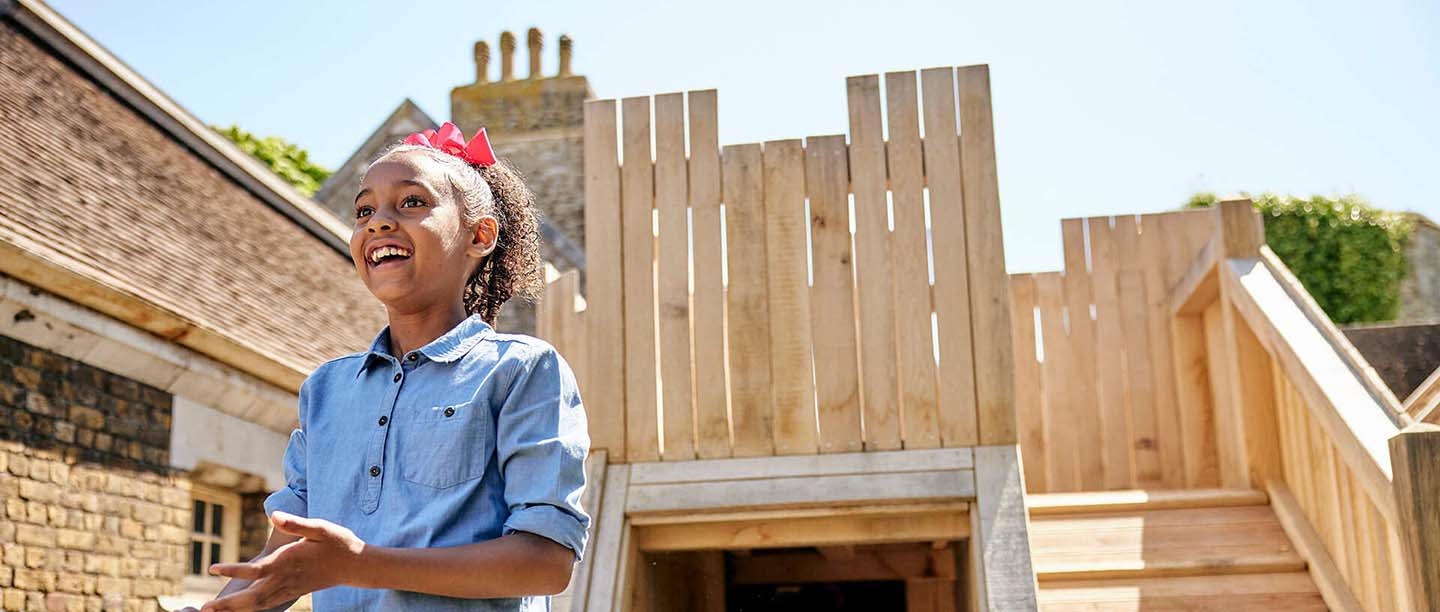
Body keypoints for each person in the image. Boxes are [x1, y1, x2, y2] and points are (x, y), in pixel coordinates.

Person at [191, 123, 590, 612]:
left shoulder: (522, 371)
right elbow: (286, 553)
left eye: (411, 203)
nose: (378, 222)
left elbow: (547, 562)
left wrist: (357, 563)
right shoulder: (326, 390)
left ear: (480, 235)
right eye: (364, 210)